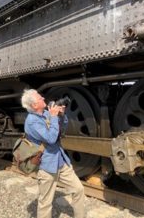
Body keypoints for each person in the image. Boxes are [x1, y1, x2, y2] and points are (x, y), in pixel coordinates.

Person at [21, 89, 85, 218]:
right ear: (34, 105)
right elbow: (50, 138)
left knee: (79, 189)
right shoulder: (32, 121)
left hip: (60, 160)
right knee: (45, 202)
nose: (43, 98)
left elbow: (61, 131)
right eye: (40, 98)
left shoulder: (45, 113)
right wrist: (54, 117)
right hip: (47, 165)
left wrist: (61, 116)